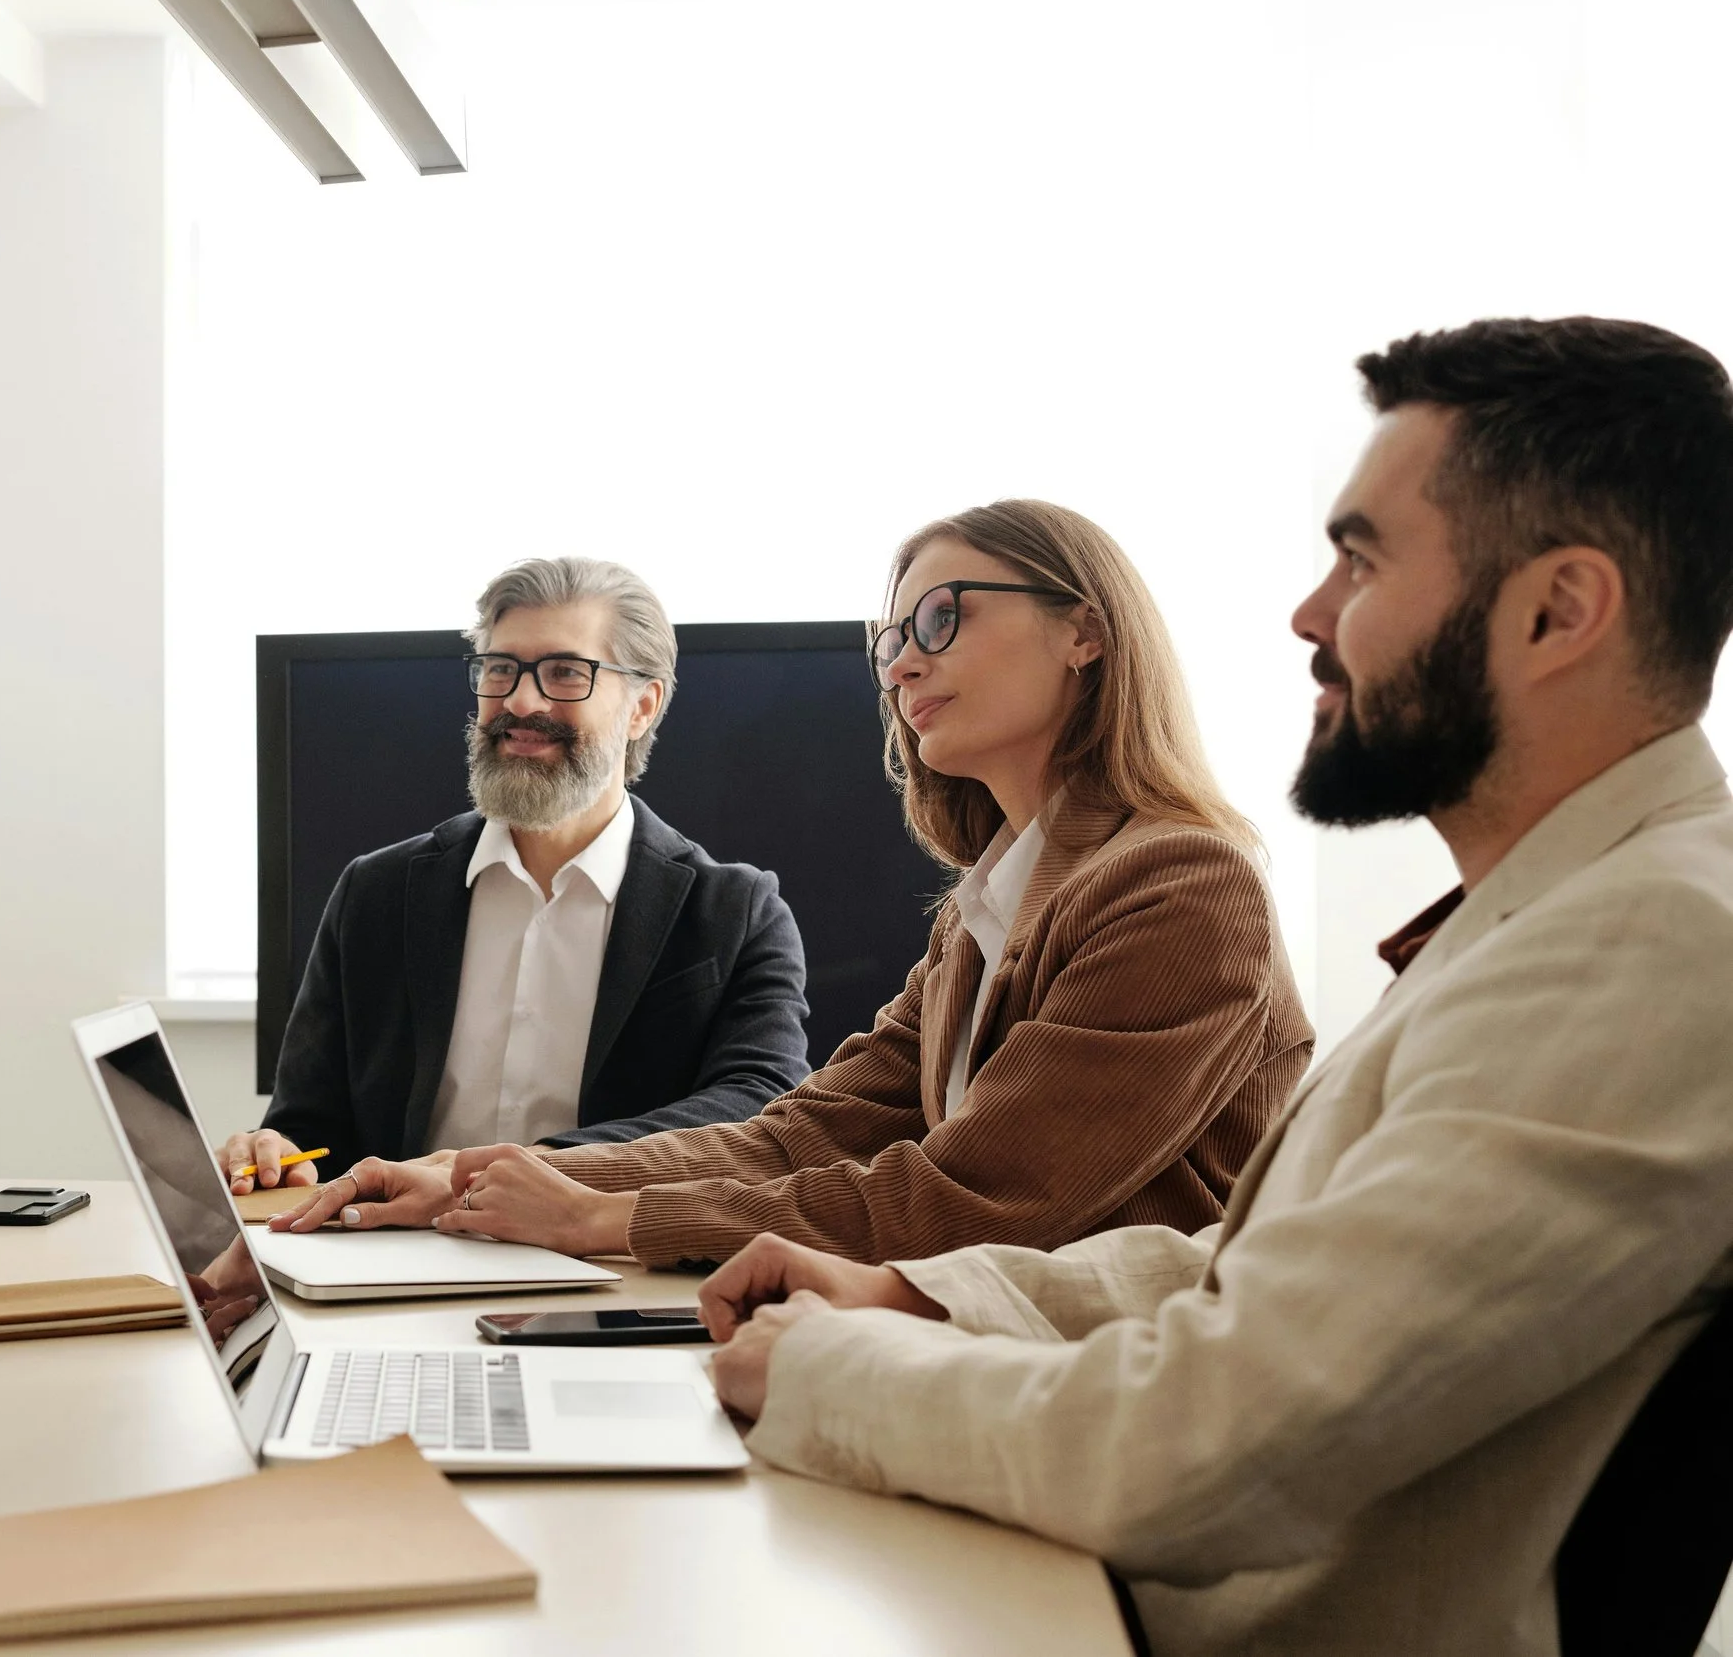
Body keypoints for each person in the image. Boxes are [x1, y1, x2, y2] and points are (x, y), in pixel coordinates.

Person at [698, 317, 1733, 1657]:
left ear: (1558, 609)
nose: (1311, 614)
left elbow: (1211, 1439)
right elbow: (1271, 1269)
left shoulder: (1649, 943)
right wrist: (926, 1299)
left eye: (1359, 559)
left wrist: (832, 1371)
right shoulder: (1566, 908)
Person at [275, 501, 1311, 1268]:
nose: (901, 666)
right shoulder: (988, 904)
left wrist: (606, 1218)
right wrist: (472, 1177)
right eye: (892, 639)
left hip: (1116, 1396)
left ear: (1084, 630)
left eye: (940, 619)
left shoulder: (1183, 884)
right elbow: (805, 1129)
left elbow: (979, 1194)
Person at [219, 558, 813, 1191]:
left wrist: (512, 1173)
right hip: (394, 1268)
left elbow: (761, 1105)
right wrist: (274, 1154)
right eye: (501, 668)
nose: (520, 700)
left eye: (564, 673)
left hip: (612, 1274)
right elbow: (308, 1131)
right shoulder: (376, 892)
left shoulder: (737, 912)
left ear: (643, 705)